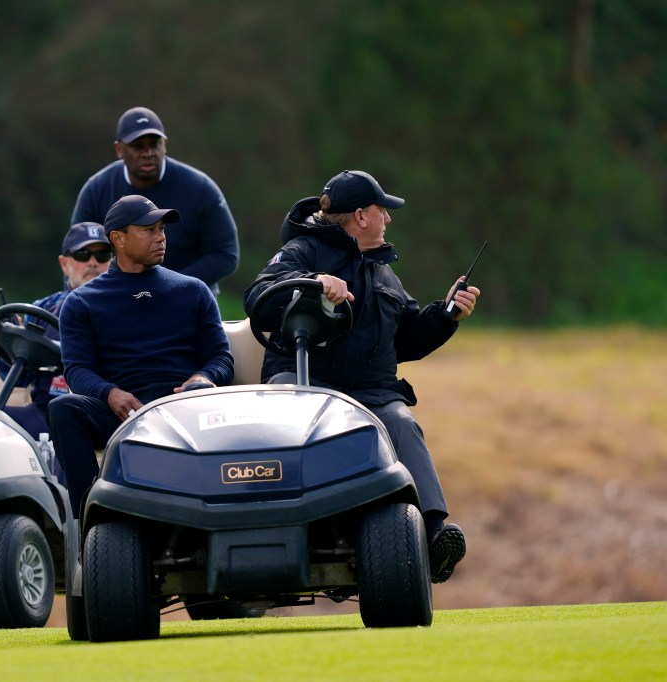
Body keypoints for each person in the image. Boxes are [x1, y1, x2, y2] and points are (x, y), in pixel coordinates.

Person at [243, 170, 478, 584]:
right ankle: (275, 530)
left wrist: (447, 314)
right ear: (361, 216)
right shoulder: (302, 251)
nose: (388, 219)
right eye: (381, 211)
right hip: (303, 383)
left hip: (370, 394)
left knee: (403, 422)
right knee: (285, 413)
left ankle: (433, 534)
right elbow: (258, 297)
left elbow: (407, 340)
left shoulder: (384, 273)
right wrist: (313, 283)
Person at [48, 195, 235, 516]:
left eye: (162, 229)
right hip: (123, 411)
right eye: (148, 229)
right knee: (63, 409)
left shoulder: (193, 290)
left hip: (184, 405)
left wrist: (204, 377)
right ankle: (92, 516)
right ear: (118, 239)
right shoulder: (81, 302)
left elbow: (221, 358)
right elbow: (77, 371)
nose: (160, 236)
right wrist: (110, 394)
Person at [70, 106, 240, 295]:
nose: (148, 152)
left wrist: (169, 287)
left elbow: (225, 253)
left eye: (154, 144)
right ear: (119, 149)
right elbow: (76, 254)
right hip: (116, 300)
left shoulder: (200, 188)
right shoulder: (97, 189)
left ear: (164, 144)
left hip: (187, 300)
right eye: (137, 146)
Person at [0, 222, 113, 481]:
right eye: (83, 255)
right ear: (64, 264)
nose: (93, 262)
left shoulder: (126, 306)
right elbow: (19, 378)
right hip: (45, 411)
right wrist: (7, 348)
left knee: (68, 423)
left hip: (100, 414)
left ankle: (70, 516)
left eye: (102, 255)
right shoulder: (43, 309)